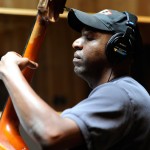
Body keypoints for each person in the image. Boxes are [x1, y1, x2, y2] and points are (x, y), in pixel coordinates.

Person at [0, 7, 150, 150]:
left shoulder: (119, 93)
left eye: (89, 38)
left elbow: (52, 133)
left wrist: (10, 71)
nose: (76, 43)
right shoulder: (123, 92)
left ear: (119, 48)